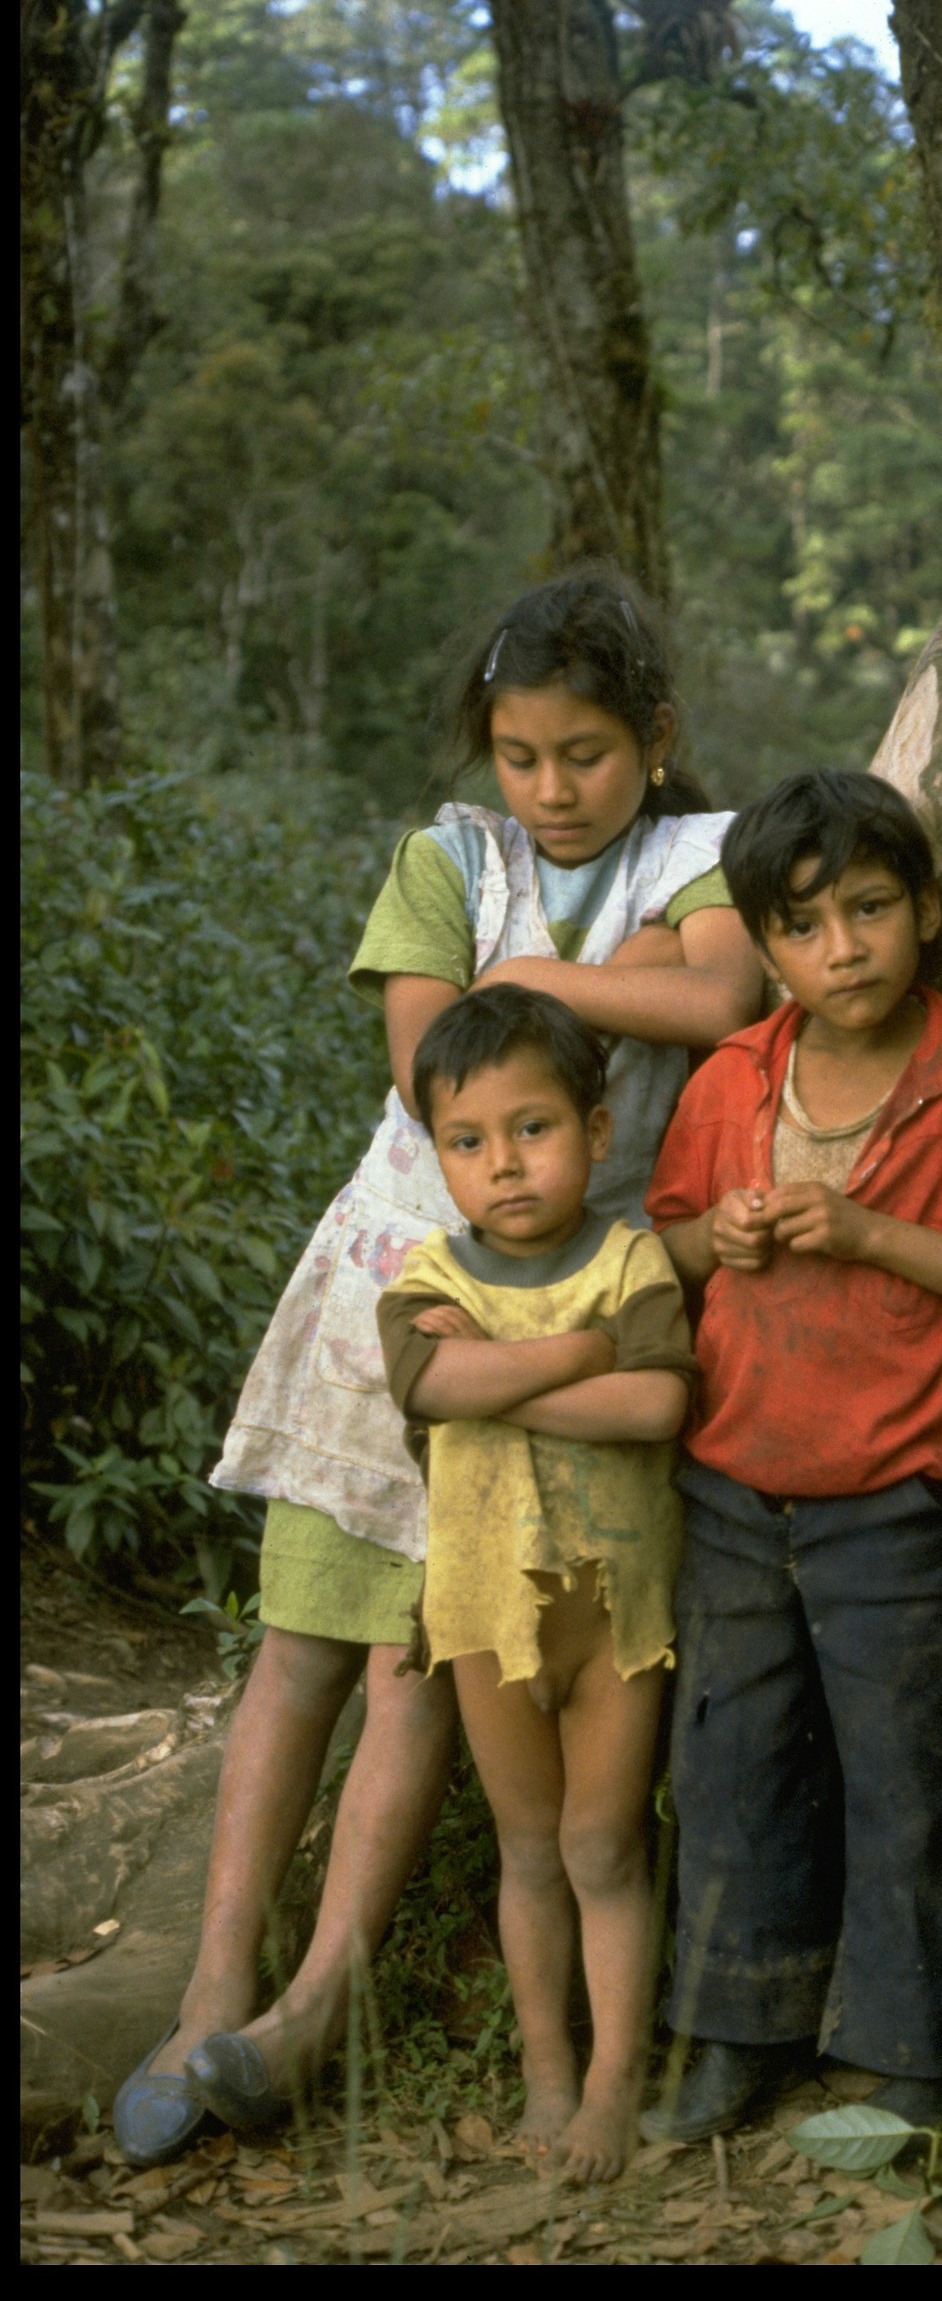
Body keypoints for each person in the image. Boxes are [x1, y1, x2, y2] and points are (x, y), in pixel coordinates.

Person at [114, 567, 763, 2166]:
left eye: (588, 755)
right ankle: (207, 1987)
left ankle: (315, 2002)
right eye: (521, 755)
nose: (549, 790)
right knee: (307, 1638)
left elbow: (728, 991)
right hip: (402, 1279)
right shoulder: (447, 855)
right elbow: (427, 1067)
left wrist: (524, 983)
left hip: (578, 1298)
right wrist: (559, 1004)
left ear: (657, 741)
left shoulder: (705, 856)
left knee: (426, 1654)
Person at [640, 767, 942, 2145]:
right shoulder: (736, 1076)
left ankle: (939, 2044)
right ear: (767, 946)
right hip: (735, 1483)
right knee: (734, 1765)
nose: (845, 949)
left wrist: (866, 1236)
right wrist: (722, 1240)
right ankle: (735, 2032)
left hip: (897, 1492)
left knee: (910, 1770)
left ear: (924, 908)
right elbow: (669, 1242)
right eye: (806, 927)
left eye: (871, 910)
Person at [375, 986, 695, 2182]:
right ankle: (546, 2070)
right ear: (438, 1156)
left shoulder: (630, 1257)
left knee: (603, 1843)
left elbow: (656, 1403)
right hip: (479, 1614)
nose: (503, 1164)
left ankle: (614, 2078)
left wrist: (498, 1364)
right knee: (528, 1847)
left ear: (597, 1133)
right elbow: (429, 1389)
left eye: (533, 1128)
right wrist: (575, 1352)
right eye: (468, 1141)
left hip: (614, 1613)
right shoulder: (423, 1270)